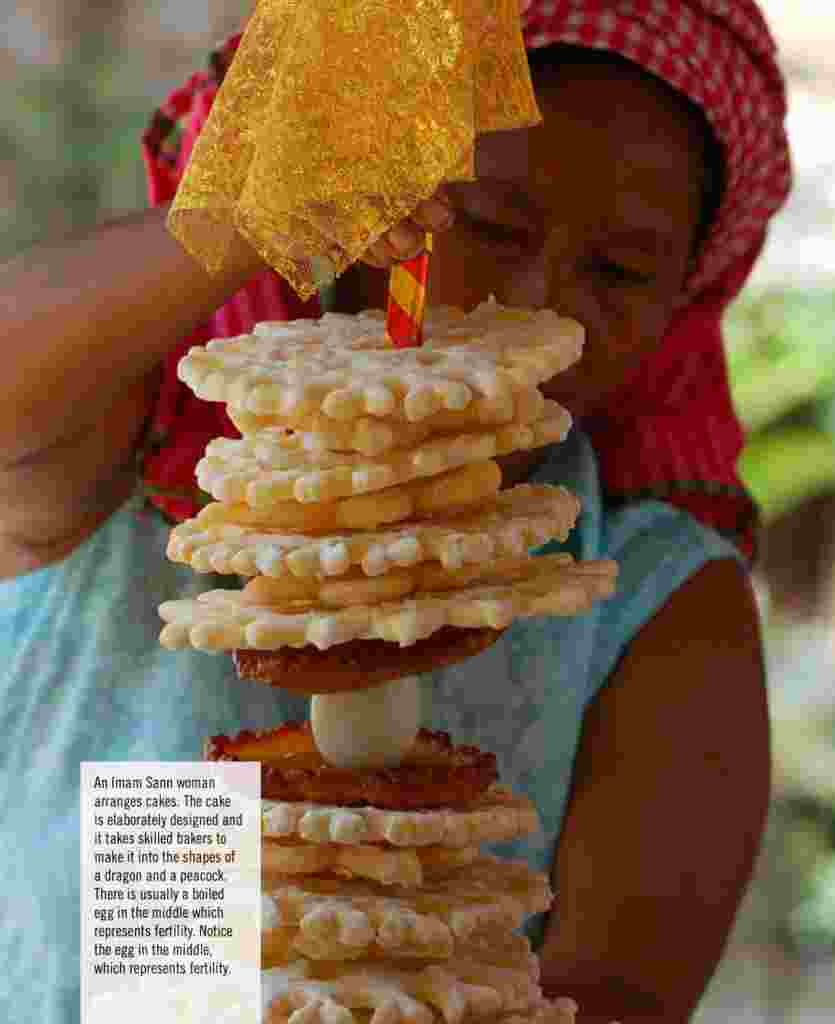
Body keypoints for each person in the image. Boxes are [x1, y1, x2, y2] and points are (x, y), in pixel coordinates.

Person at [0, 0, 791, 1020]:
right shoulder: (141, 444)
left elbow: (622, 988)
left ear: (687, 294)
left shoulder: (660, 601)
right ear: (379, 220)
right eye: (496, 225)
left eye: (622, 271)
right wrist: (255, 210)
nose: (543, 298)